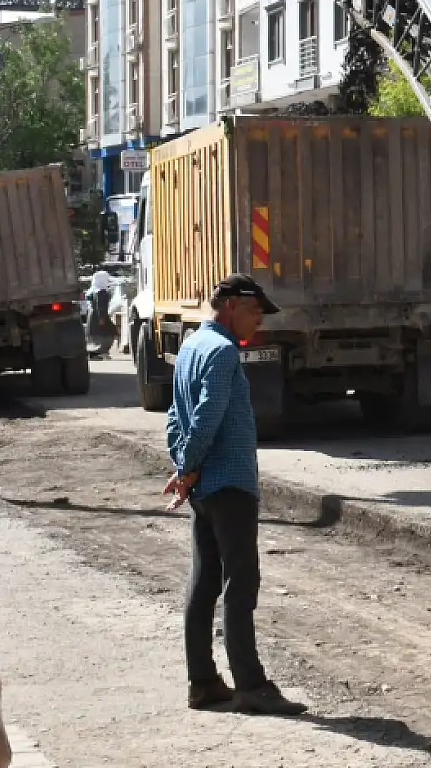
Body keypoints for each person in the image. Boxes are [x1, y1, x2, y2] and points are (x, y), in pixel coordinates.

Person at [164, 274, 305, 716]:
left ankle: (202, 683)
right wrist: (187, 469)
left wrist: (184, 469)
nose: (259, 318)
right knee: (239, 585)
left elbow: (175, 417)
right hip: (228, 485)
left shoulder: (190, 347)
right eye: (254, 309)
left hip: (206, 487)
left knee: (203, 583)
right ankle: (251, 686)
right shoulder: (223, 352)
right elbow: (205, 418)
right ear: (229, 306)